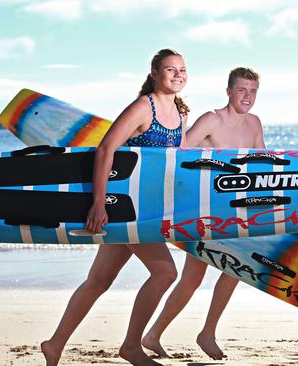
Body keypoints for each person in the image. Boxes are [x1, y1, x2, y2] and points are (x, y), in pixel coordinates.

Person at [40, 48, 189, 366]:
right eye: (170, 69)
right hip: (125, 207)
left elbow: (178, 163)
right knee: (165, 272)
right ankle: (132, 346)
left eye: (182, 70)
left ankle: (54, 344)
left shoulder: (180, 114)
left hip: (148, 208)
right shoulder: (142, 107)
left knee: (99, 280)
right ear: (154, 74)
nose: (177, 75)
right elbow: (106, 149)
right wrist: (98, 202)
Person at [142, 67, 265, 360]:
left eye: (252, 91)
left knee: (232, 270)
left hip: (234, 212)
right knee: (195, 278)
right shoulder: (212, 119)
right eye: (241, 90)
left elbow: (263, 165)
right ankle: (168, 333)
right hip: (202, 210)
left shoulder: (254, 124)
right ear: (229, 91)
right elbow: (180, 153)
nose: (247, 97)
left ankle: (173, 333)